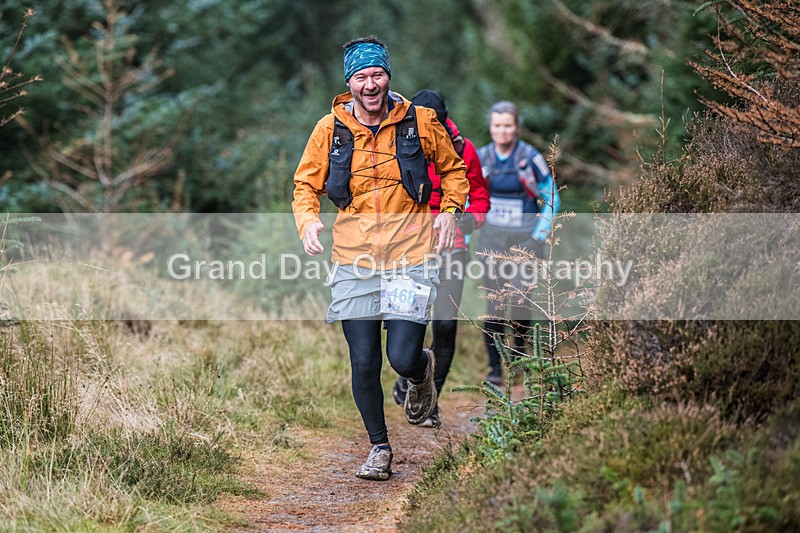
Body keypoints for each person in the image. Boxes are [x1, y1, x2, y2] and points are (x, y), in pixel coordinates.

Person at [291, 36, 468, 481]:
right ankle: (379, 448)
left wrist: (450, 211)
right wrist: (308, 222)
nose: (370, 85)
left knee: (402, 356)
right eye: (361, 77)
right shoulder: (327, 130)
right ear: (348, 82)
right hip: (354, 259)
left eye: (377, 75)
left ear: (388, 76)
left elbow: (453, 171)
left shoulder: (421, 121)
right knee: (364, 360)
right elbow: (304, 186)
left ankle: (420, 370)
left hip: (411, 255)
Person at [391, 89, 490, 428]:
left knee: (445, 327)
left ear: (445, 121)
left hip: (452, 249)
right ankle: (411, 373)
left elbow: (479, 197)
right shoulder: (401, 140)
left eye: (436, 123)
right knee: (411, 322)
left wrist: (467, 219)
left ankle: (430, 403)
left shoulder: (463, 149)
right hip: (411, 249)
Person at [476, 101, 560, 385]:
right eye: (497, 125)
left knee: (521, 300)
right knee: (494, 303)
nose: (503, 131)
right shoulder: (482, 157)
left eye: (508, 125)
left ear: (516, 127)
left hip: (526, 241)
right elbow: (468, 196)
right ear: (490, 127)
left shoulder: (529, 157)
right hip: (491, 241)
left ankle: (518, 355)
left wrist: (540, 233)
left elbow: (551, 195)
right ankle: (494, 368)